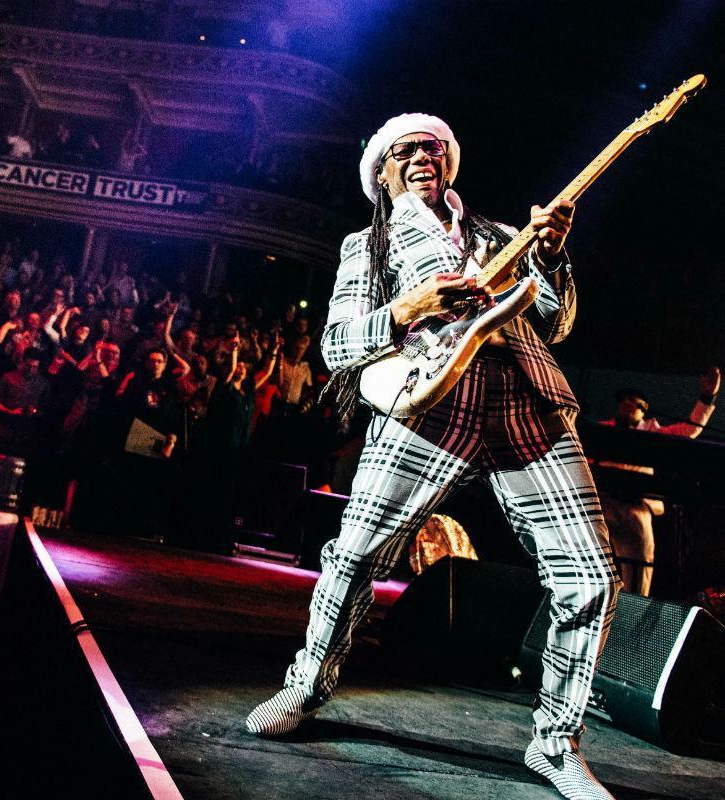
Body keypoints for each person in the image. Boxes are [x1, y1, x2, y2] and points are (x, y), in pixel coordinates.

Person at [245, 113, 620, 800]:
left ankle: (556, 742)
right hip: (427, 404)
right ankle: (305, 686)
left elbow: (556, 324)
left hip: (525, 405)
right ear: (381, 173)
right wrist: (409, 305)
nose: (423, 154)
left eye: (433, 147)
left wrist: (552, 258)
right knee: (355, 556)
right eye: (406, 149)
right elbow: (335, 347)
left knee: (590, 575)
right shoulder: (370, 244)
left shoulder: (503, 236)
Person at [598, 368, 719, 596]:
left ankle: (635, 603)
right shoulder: (603, 430)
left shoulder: (653, 433)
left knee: (641, 561)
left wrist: (707, 397)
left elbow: (689, 430)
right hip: (604, 503)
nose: (625, 404)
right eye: (622, 401)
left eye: (632, 402)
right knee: (589, 554)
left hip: (636, 506)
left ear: (643, 409)